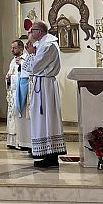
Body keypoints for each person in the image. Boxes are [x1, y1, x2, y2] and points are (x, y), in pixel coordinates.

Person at [22, 20, 67, 167]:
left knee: (47, 118)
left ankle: (51, 155)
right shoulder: (41, 44)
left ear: (39, 32)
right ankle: (46, 153)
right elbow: (29, 67)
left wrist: (30, 54)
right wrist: (32, 53)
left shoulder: (48, 45)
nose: (30, 33)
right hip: (41, 83)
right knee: (42, 118)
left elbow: (33, 68)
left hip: (46, 85)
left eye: (31, 30)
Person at [13, 40, 32, 151]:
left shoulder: (27, 58)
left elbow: (30, 71)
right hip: (21, 88)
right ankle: (24, 142)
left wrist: (22, 64)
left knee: (28, 118)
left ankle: (29, 143)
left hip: (29, 90)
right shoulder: (27, 58)